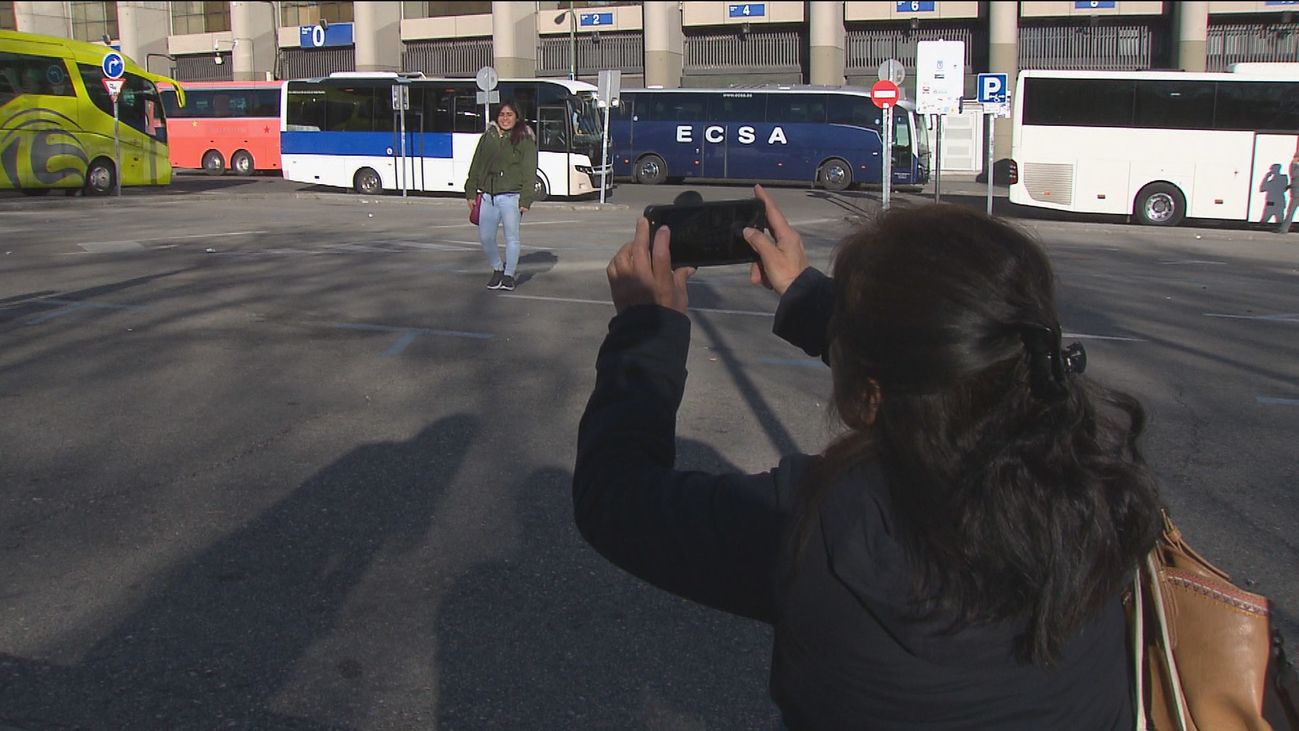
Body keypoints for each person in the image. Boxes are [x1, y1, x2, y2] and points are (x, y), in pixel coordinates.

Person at [573, 185, 1165, 730]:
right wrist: (807, 293)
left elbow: (613, 497)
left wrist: (647, 330)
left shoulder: (818, 526)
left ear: (871, 393)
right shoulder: (1099, 484)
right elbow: (942, 372)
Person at [465, 100, 538, 291]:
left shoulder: (524, 138)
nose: (505, 119)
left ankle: (508, 275)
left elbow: (529, 171)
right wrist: (470, 190)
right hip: (488, 195)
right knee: (485, 237)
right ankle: (497, 268)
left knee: (511, 237)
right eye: (502, 115)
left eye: (509, 115)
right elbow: (476, 164)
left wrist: (526, 199)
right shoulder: (488, 136)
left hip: (511, 196)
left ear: (517, 117)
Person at [1278, 151, 1299, 234]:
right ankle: (1284, 229)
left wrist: (1293, 164)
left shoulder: (1296, 168)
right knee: (1290, 212)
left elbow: (1294, 175)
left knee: (1290, 212)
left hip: (1296, 194)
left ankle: (1284, 229)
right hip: (1296, 191)